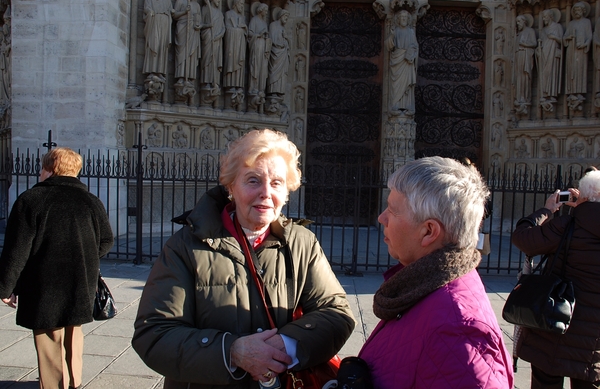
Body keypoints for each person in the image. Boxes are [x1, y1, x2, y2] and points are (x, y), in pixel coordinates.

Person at [132, 129, 355, 389]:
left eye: (276, 183)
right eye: (253, 180)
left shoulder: (302, 243)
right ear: (231, 187)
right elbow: (154, 334)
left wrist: (287, 345)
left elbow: (336, 312)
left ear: (287, 193)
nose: (265, 192)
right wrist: (232, 352)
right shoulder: (186, 247)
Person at [357, 156, 513, 388]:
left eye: (392, 210)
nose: (382, 218)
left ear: (429, 231)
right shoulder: (422, 285)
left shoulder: (458, 331)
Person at [0, 147, 114, 389]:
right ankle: (74, 383)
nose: (40, 172)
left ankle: (54, 385)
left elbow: (16, 250)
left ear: (50, 169)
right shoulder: (91, 201)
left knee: (50, 338)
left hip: (43, 283)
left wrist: (6, 287)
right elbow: (106, 240)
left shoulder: (30, 200)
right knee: (74, 332)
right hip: (80, 281)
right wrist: (85, 258)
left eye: (43, 168)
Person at [511, 171, 600, 388]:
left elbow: (523, 238)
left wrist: (547, 209)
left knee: (546, 380)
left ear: (585, 197)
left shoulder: (567, 225)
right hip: (593, 338)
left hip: (554, 327)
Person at [387, 10, 418, 116]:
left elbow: (415, 46)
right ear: (398, 19)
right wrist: (391, 36)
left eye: (405, 17)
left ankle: (407, 106)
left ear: (408, 19)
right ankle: (394, 105)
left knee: (407, 86)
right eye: (402, 17)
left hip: (407, 62)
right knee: (396, 85)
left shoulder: (411, 32)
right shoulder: (395, 31)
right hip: (397, 61)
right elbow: (389, 46)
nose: (404, 19)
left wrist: (411, 53)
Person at [172, 0, 202, 85]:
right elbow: (174, 15)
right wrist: (185, 12)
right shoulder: (180, 1)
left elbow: (199, 20)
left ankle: (189, 77)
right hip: (182, 28)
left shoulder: (197, 5)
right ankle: (180, 76)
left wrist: (199, 26)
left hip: (193, 32)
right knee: (181, 52)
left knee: (191, 55)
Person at [563, 2, 592, 97]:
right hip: (571, 50)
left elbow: (590, 36)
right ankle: (571, 91)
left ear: (583, 11)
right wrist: (569, 37)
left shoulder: (586, 22)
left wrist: (585, 44)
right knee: (571, 70)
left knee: (580, 70)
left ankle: (579, 91)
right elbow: (564, 37)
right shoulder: (571, 23)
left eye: (579, 10)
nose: (577, 12)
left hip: (581, 51)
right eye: (575, 10)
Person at [143, 0, 173, 77]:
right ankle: (151, 70)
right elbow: (146, 7)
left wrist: (172, 12)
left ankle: (160, 71)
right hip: (154, 20)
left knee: (162, 47)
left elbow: (170, 10)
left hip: (165, 22)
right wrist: (149, 11)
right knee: (153, 44)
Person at [537, 9, 563, 105]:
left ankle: (551, 94)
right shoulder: (543, 30)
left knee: (552, 73)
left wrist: (554, 37)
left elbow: (562, 41)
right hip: (544, 54)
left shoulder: (557, 27)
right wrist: (538, 51)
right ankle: (544, 94)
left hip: (553, 53)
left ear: (550, 16)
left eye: (545, 17)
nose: (543, 19)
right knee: (544, 74)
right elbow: (541, 44)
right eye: (543, 17)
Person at [223, 0, 247, 89]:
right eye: (241, 4)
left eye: (243, 4)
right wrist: (238, 30)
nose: (242, 6)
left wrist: (244, 29)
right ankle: (229, 85)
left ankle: (238, 85)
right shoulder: (228, 14)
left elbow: (246, 33)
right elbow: (227, 29)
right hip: (232, 44)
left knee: (239, 64)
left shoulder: (242, 17)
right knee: (231, 62)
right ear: (236, 4)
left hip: (240, 44)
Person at [514, 14, 536, 114]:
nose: (517, 24)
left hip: (526, 56)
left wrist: (525, 45)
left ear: (524, 21)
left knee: (524, 76)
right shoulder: (517, 34)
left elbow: (534, 43)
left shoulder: (530, 31)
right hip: (518, 56)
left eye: (518, 21)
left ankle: (525, 98)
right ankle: (518, 97)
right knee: (518, 77)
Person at [267, 8, 290, 96]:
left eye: (288, 17)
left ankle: (279, 92)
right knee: (274, 71)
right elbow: (271, 39)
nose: (286, 19)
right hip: (275, 53)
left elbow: (287, 42)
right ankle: (272, 92)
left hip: (283, 54)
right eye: (285, 16)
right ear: (280, 16)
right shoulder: (273, 25)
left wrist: (287, 38)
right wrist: (280, 45)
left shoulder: (283, 28)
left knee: (282, 74)